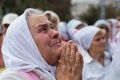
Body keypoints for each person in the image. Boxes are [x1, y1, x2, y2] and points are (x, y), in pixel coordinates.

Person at [0, 8, 83, 80]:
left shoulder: (60, 71)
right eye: (43, 29)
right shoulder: (11, 78)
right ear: (26, 43)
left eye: (52, 27)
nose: (56, 33)